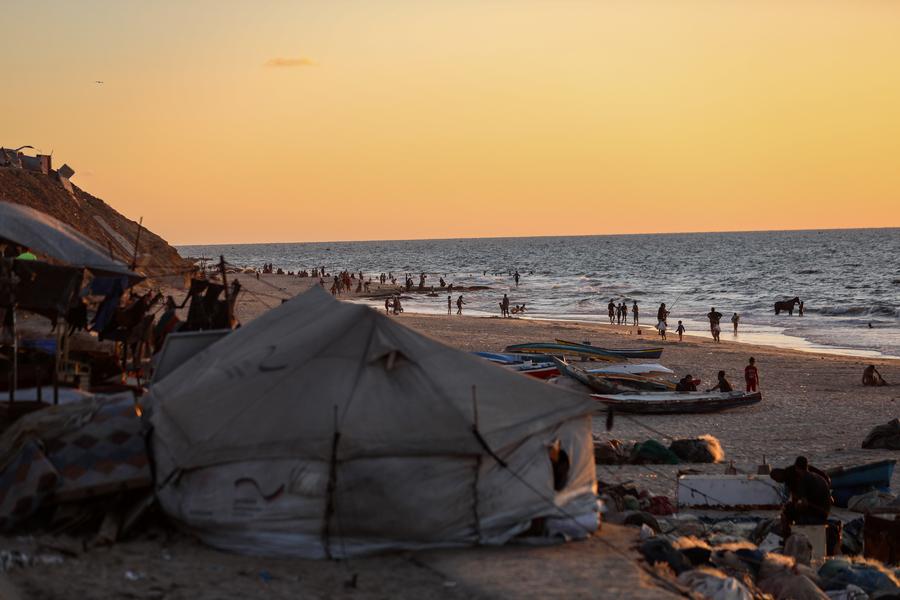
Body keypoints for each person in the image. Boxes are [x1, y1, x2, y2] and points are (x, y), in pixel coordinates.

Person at [770, 456, 832, 539]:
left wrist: (795, 506)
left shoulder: (801, 479)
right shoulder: (816, 476)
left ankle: (786, 537)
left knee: (787, 511)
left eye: (776, 479)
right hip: (825, 512)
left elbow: (803, 503)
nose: (777, 481)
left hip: (816, 514)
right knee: (792, 508)